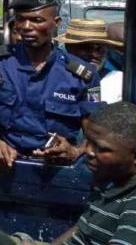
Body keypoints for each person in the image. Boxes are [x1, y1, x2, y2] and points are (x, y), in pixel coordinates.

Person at [0, 0, 103, 169]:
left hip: (56, 171)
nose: (26, 27)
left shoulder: (83, 74)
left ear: (56, 23)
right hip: (4, 165)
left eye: (36, 20)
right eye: (20, 20)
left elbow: (94, 133)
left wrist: (74, 151)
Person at [50, 102, 136, 245]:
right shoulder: (108, 183)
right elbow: (81, 230)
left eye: (101, 148)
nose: (88, 151)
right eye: (87, 142)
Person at [57, 19, 122, 103]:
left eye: (99, 48)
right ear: (69, 47)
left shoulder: (119, 80)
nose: (94, 54)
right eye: (86, 48)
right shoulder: (55, 76)